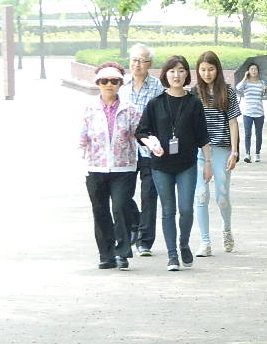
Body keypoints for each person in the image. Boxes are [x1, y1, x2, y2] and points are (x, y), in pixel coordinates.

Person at [136, 55, 211, 272]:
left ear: (187, 74)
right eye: (172, 71)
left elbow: (202, 135)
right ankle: (172, 255)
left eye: (180, 71)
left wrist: (207, 163)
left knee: (186, 209)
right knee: (168, 210)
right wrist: (150, 142)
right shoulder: (155, 103)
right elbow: (141, 131)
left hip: (187, 163)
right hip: (161, 165)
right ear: (165, 75)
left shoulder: (194, 103)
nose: (176, 75)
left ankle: (184, 243)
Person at [79, 62, 141, 270]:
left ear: (120, 84)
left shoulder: (130, 109)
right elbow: (82, 137)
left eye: (114, 81)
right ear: (98, 83)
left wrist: (153, 145)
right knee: (100, 210)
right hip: (95, 167)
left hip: (123, 167)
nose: (109, 85)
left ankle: (122, 252)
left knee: (121, 206)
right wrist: (80, 161)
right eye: (104, 81)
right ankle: (106, 254)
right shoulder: (89, 109)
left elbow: (141, 133)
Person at [119, 43, 164, 256]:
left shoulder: (157, 88)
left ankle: (145, 241)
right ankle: (135, 222)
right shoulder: (121, 86)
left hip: (148, 149)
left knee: (149, 194)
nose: (137, 64)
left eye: (142, 60)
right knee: (122, 195)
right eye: (134, 60)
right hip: (125, 150)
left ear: (150, 64)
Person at [194, 51, 241, 257]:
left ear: (218, 70)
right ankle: (205, 241)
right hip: (200, 151)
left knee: (222, 197)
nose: (207, 73)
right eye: (203, 69)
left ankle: (227, 229)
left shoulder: (228, 92)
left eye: (211, 69)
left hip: (222, 148)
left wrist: (235, 151)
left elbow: (233, 122)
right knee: (201, 194)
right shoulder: (194, 92)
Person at [236, 63, 266, 163]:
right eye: (251, 69)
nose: (254, 71)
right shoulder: (246, 83)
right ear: (248, 71)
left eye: (255, 69)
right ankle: (247, 154)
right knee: (248, 134)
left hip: (259, 112)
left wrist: (265, 90)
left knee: (259, 134)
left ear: (258, 71)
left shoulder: (262, 82)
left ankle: (257, 154)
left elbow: (264, 96)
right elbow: (238, 88)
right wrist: (245, 77)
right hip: (247, 113)